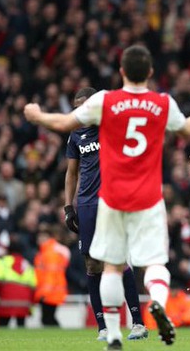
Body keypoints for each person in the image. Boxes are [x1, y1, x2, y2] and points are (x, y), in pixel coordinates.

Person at [23, 44, 190, 350]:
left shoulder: (105, 102)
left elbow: (62, 122)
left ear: (121, 72)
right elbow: (188, 130)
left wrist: (37, 115)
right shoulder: (161, 102)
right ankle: (158, 305)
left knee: (110, 265)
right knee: (153, 262)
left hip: (110, 198)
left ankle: (111, 334)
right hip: (148, 197)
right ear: (150, 72)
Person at [64, 87, 147, 341]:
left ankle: (138, 323)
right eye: (77, 108)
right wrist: (69, 207)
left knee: (119, 260)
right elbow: (71, 173)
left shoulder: (112, 126)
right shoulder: (76, 135)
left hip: (113, 200)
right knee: (91, 263)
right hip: (87, 204)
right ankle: (102, 327)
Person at [0, 240, 36, 327]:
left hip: (5, 301)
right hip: (24, 302)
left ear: (8, 250)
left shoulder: (1, 262)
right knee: (21, 328)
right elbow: (33, 286)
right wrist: (31, 305)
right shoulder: (27, 264)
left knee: (2, 327)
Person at [34, 226, 70, 327]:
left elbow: (51, 274)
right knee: (48, 317)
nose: (40, 239)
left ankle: (60, 337)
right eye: (39, 237)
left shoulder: (50, 253)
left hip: (50, 292)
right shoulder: (45, 252)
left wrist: (44, 293)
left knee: (47, 318)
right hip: (52, 291)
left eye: (43, 237)